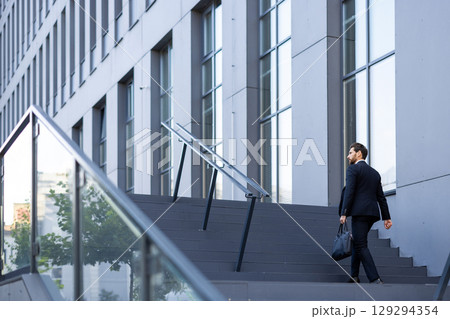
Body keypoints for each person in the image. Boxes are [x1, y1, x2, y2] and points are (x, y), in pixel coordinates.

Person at [340, 142, 393, 284]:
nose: (347, 156)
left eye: (350, 153)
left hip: (359, 213)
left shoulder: (352, 170)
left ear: (359, 153)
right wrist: (386, 217)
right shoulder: (375, 173)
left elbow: (349, 192)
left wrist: (344, 213)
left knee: (361, 244)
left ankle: (375, 278)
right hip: (372, 213)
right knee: (358, 241)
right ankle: (354, 276)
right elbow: (381, 197)